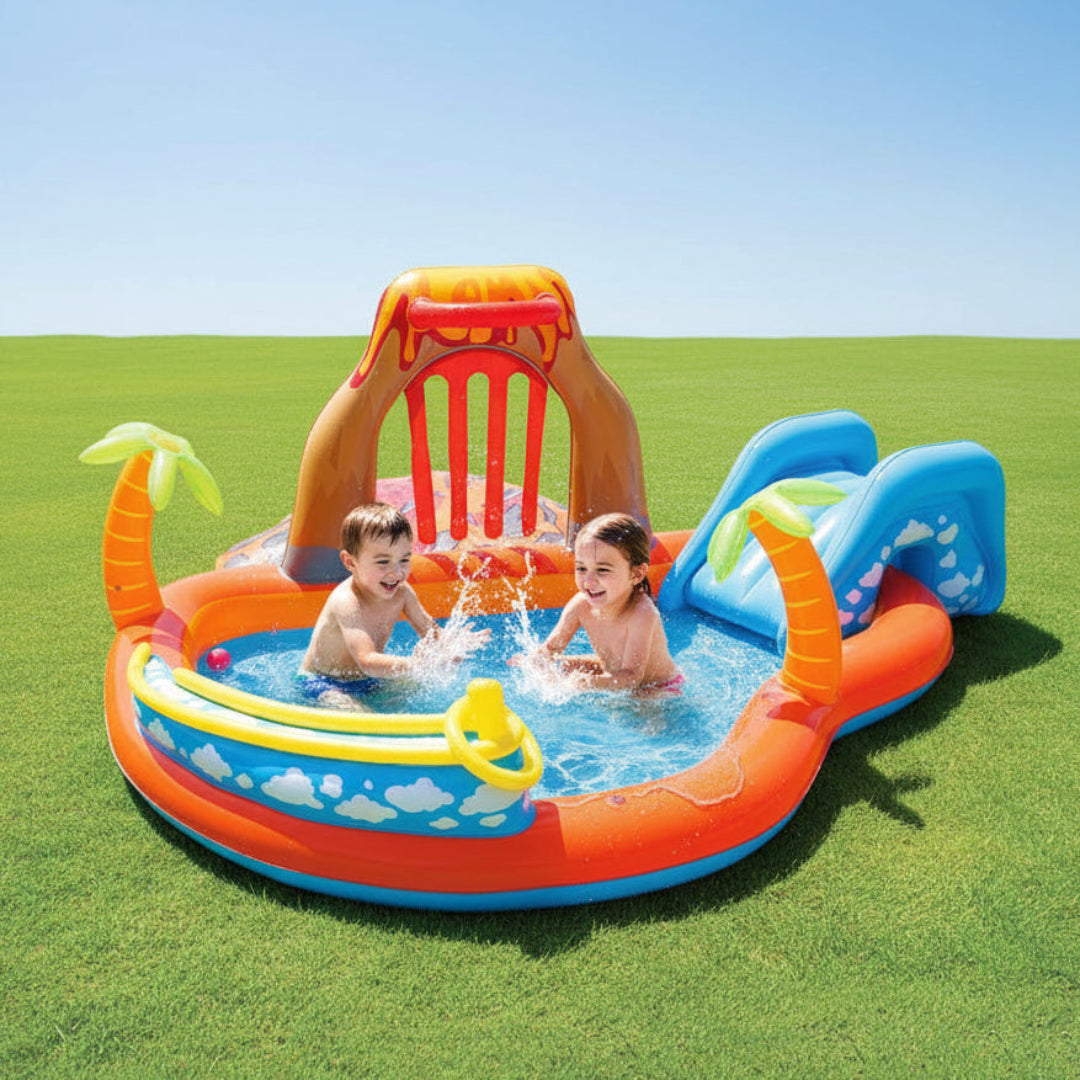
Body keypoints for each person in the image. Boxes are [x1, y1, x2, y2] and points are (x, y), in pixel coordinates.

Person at [299, 502, 487, 705]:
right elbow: (368, 661)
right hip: (324, 683)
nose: (397, 572)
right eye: (382, 562)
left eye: (404, 560)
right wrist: (419, 664)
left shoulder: (402, 593)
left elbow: (431, 634)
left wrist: (452, 647)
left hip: (368, 681)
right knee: (357, 716)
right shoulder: (347, 602)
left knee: (419, 687)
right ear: (350, 562)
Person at [518, 512, 682, 694]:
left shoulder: (642, 613)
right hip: (613, 672)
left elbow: (631, 679)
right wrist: (537, 661)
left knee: (641, 705)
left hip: (657, 686)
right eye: (581, 568)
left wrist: (585, 683)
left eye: (602, 570)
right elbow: (551, 649)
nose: (588, 581)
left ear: (637, 574)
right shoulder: (580, 605)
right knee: (561, 666)